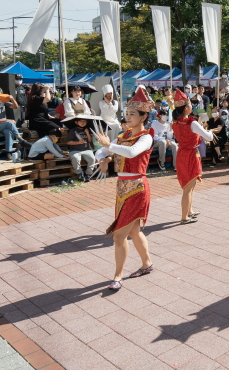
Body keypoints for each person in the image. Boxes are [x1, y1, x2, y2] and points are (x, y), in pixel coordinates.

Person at [94, 98, 156, 291]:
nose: (127, 117)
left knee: (119, 236)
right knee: (134, 231)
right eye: (126, 114)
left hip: (137, 187)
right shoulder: (122, 135)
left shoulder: (146, 137)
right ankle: (147, 264)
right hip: (122, 187)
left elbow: (131, 152)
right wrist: (106, 158)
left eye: (132, 114)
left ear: (143, 117)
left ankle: (118, 276)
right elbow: (100, 152)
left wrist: (109, 148)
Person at [170, 89, 215, 224]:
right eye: (189, 104)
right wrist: (210, 131)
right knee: (188, 188)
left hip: (182, 153)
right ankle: (184, 217)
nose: (191, 106)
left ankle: (189, 211)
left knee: (189, 186)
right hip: (190, 155)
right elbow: (209, 137)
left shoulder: (176, 123)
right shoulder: (191, 123)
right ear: (186, 108)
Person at [65, 115, 98, 181]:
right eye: (81, 121)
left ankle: (88, 174)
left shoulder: (87, 129)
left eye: (84, 121)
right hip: (74, 150)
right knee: (75, 158)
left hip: (87, 149)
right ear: (76, 122)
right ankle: (79, 174)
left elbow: (89, 141)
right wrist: (78, 142)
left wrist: (88, 133)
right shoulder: (72, 131)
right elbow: (68, 142)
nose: (83, 122)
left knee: (92, 158)